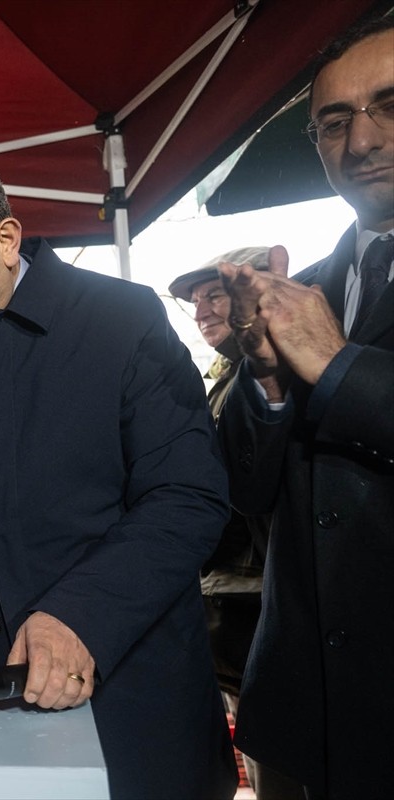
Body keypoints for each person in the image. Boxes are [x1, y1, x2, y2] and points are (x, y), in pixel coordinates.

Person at [0, 145, 236, 799]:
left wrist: (80, 616)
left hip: (135, 699)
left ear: (6, 239)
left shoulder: (123, 320)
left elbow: (187, 495)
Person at [216, 16, 394, 798]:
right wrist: (266, 381)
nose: (363, 141)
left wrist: (338, 367)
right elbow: (246, 492)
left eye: (390, 104)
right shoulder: (308, 288)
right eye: (334, 122)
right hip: (299, 713)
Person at [169, 251, 304, 800]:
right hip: (239, 614)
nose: (201, 309)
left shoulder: (287, 372)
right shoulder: (230, 379)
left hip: (271, 610)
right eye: (196, 301)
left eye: (215, 295)